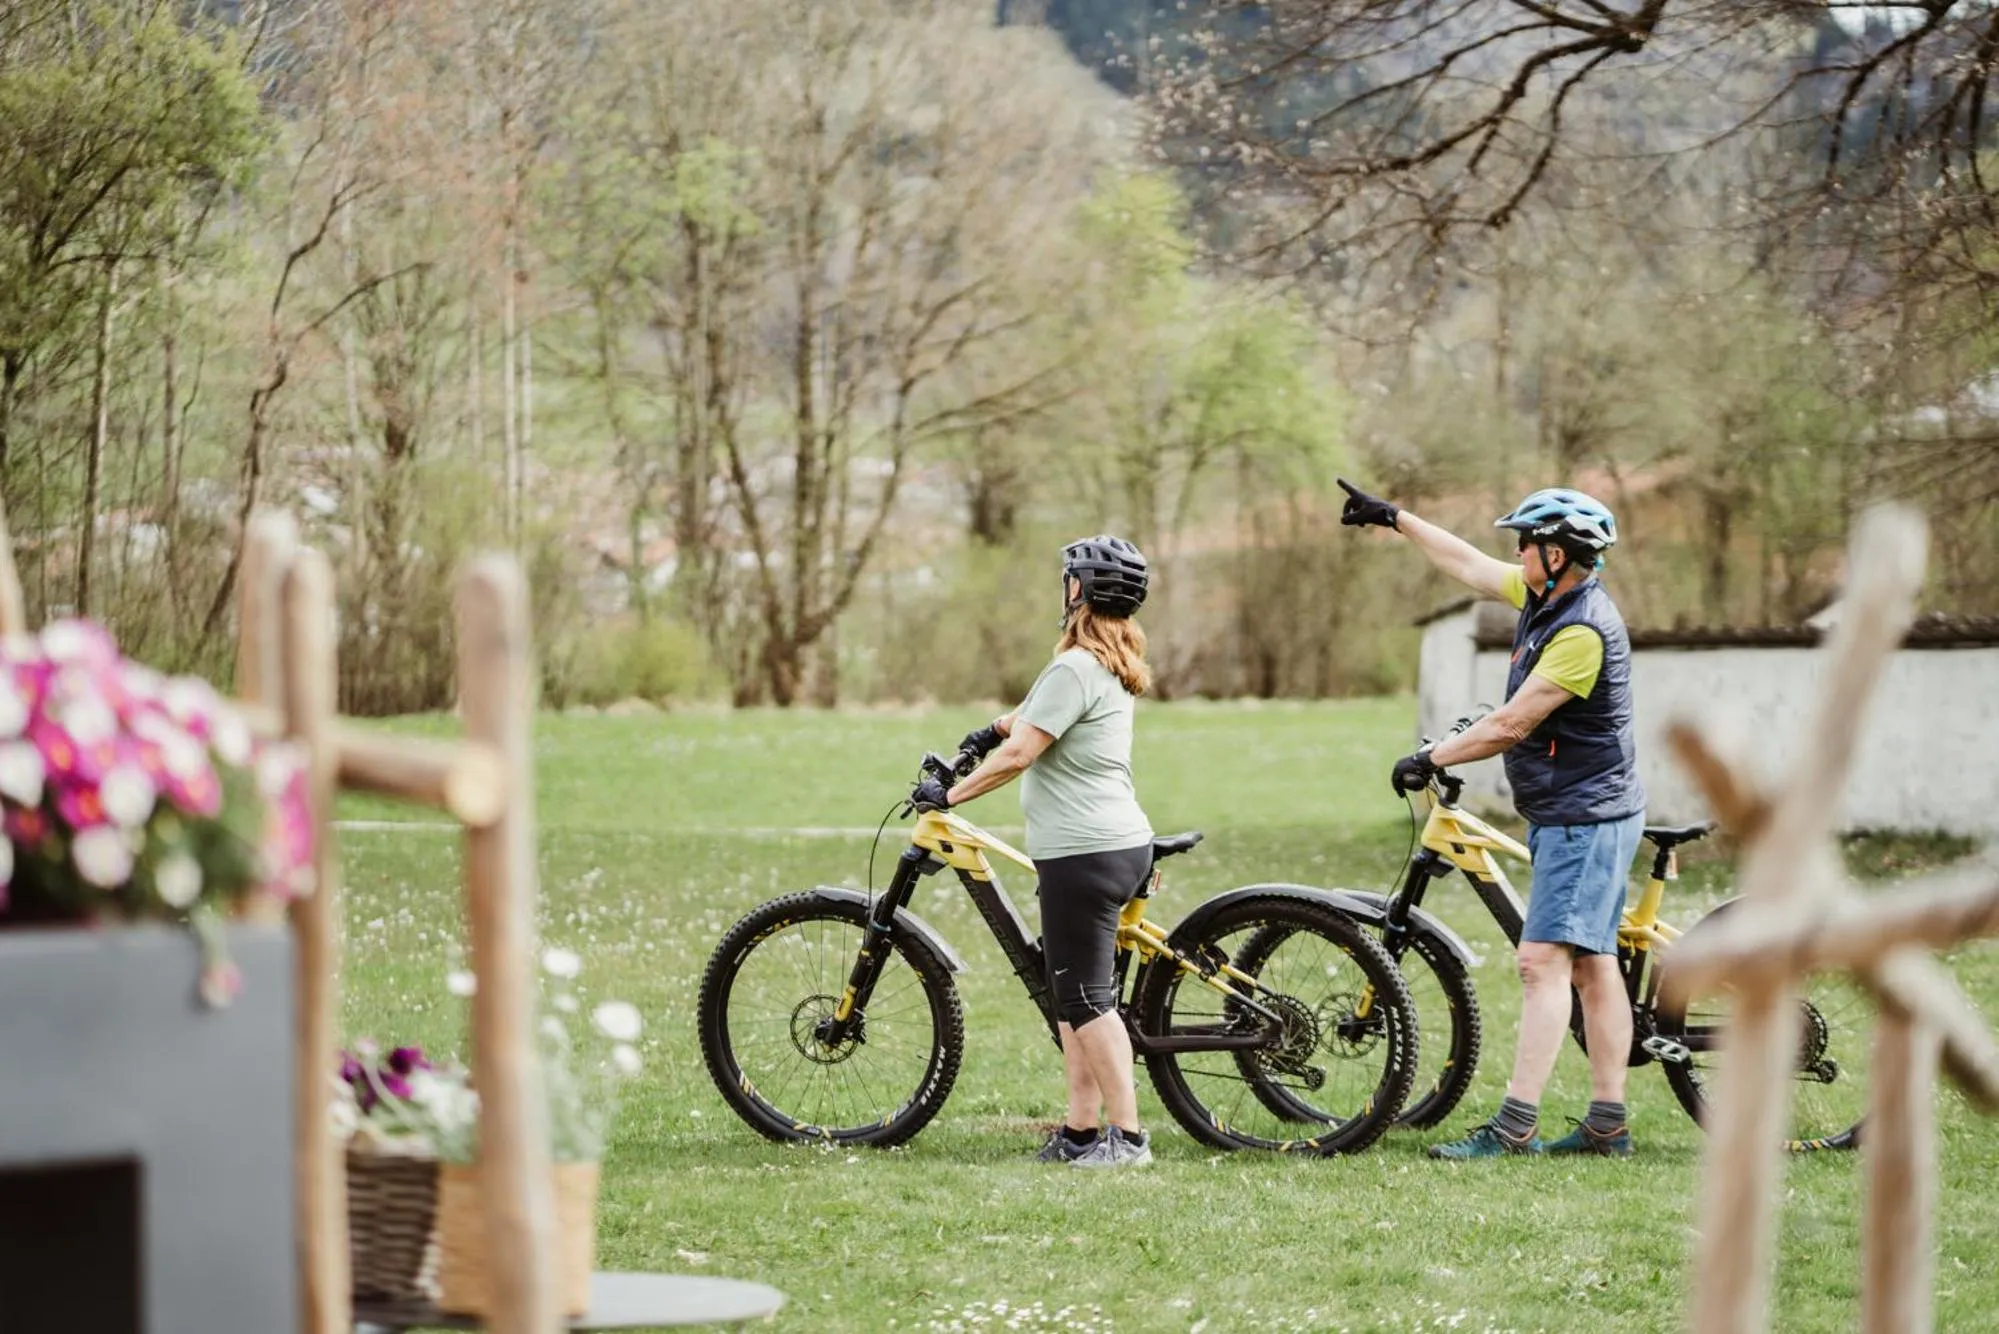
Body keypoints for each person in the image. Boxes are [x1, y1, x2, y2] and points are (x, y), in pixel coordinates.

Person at [1339, 479, 1646, 1159]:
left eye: (1525, 543)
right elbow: (1469, 565)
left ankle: (1514, 1126)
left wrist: (1429, 756)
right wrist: (1395, 518)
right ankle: (1607, 1124)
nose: (1515, 553)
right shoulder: (1547, 597)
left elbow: (1510, 724)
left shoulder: (1582, 630)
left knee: (1542, 963)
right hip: (1581, 808)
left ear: (1556, 555)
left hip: (1583, 816)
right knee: (1593, 966)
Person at [908, 535, 1157, 1169]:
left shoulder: (1075, 667)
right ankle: (1079, 1131)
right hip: (1114, 846)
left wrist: (948, 795)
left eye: (1070, 578)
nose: (1064, 586)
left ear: (1083, 591)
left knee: (1088, 1000)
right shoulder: (1106, 664)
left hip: (1085, 855)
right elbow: (1035, 715)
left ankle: (1128, 1139)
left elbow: (1022, 753)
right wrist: (991, 728)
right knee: (1072, 995)